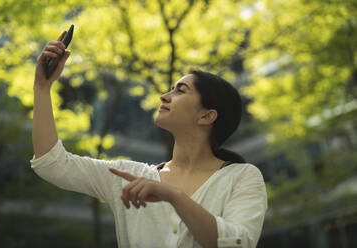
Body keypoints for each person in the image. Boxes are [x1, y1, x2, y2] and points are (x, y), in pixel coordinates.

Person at [31, 30, 267, 248]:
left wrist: (172, 195)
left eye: (180, 91)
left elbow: (238, 243)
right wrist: (42, 87)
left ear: (207, 115)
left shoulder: (242, 177)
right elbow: (52, 164)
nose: (165, 96)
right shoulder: (128, 179)